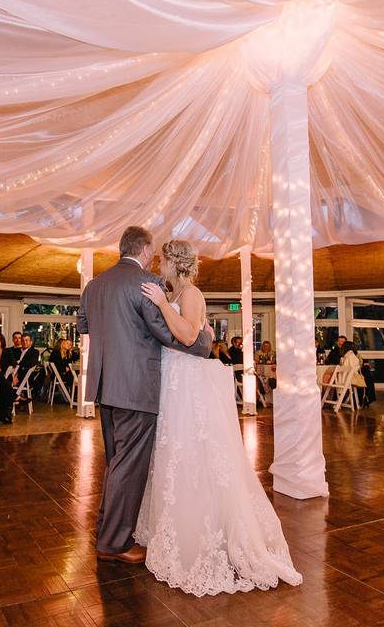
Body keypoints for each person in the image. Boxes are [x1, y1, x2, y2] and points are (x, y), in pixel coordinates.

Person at [135, 237, 301, 594]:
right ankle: (180, 528)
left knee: (195, 454)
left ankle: (206, 536)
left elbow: (189, 333)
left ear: (175, 263)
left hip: (188, 381)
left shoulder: (190, 294)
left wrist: (164, 305)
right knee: (175, 455)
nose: (159, 267)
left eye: (163, 261)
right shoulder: (178, 294)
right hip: (175, 379)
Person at [77, 226, 214, 566]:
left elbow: (83, 325)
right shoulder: (144, 284)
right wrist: (203, 344)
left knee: (115, 463)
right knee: (129, 467)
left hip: (104, 388)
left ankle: (106, 529)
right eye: (153, 254)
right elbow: (167, 333)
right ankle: (113, 543)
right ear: (145, 251)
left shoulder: (94, 285)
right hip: (136, 388)